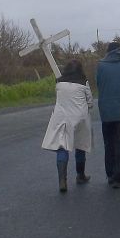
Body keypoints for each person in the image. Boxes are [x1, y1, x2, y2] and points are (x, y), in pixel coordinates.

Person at [42, 59, 93, 192]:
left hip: (62, 118)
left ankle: (62, 181)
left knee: (62, 147)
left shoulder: (59, 83)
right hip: (80, 118)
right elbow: (90, 102)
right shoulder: (84, 83)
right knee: (80, 146)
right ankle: (80, 175)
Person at [96, 41, 120, 188]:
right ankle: (118, 177)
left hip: (105, 111)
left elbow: (99, 84)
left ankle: (110, 174)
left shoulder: (100, 65)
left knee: (108, 144)